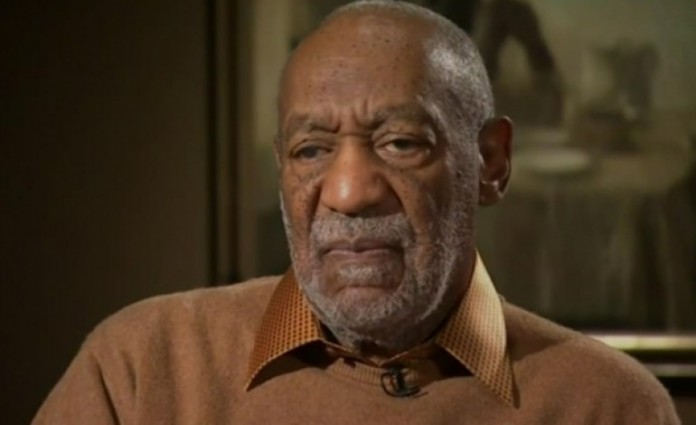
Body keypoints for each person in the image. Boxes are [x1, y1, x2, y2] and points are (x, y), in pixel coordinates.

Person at [33, 1, 680, 424]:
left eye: (400, 143)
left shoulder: (607, 405)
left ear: (490, 162)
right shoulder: (140, 369)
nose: (348, 192)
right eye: (311, 150)